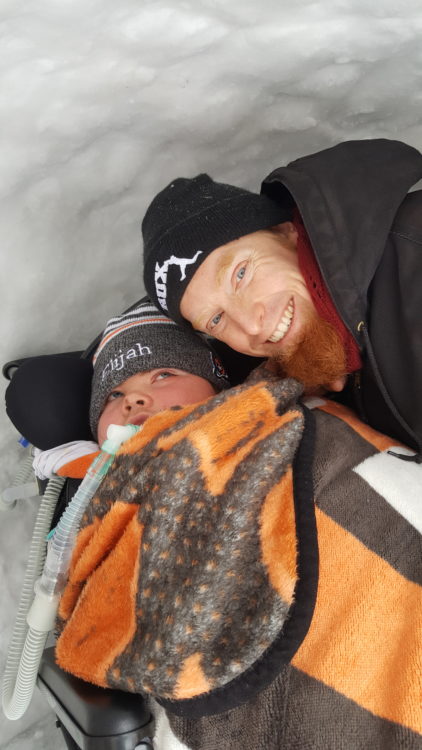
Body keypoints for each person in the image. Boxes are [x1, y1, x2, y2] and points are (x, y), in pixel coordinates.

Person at [141, 138, 422, 460]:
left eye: (241, 274)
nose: (251, 325)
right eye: (216, 319)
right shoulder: (319, 337)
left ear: (287, 232)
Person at [31, 301, 229, 482]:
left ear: (218, 388)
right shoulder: (93, 485)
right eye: (115, 395)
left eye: (163, 375)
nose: (133, 399)